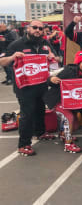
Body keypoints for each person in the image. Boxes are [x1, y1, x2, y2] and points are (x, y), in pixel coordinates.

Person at [0, 20, 56, 156]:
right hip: (25, 87)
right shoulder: (17, 44)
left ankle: (40, 133)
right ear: (28, 29)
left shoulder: (45, 43)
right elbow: (2, 61)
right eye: (35, 27)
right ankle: (24, 144)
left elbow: (56, 59)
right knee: (27, 115)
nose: (38, 30)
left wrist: (53, 57)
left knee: (40, 111)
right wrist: (13, 56)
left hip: (41, 84)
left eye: (41, 28)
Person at [44, 53, 82, 153]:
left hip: (72, 102)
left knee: (75, 125)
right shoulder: (69, 70)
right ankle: (68, 144)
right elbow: (49, 78)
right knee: (69, 118)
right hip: (57, 100)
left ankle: (63, 134)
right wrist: (52, 80)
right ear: (78, 63)